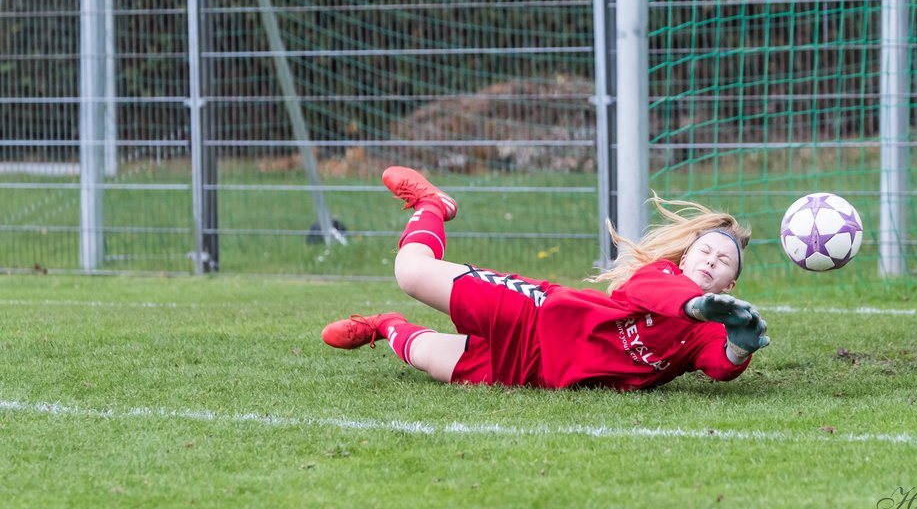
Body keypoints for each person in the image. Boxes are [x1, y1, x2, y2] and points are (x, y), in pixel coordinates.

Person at [320, 166, 770, 390]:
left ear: (730, 285)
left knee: (429, 356)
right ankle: (433, 205)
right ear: (686, 256)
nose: (711, 261)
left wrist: (740, 343)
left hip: (535, 372)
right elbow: (653, 291)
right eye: (705, 251)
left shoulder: (711, 328)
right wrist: (694, 304)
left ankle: (382, 325)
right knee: (411, 273)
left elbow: (720, 365)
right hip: (533, 314)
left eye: (724, 261)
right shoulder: (661, 275)